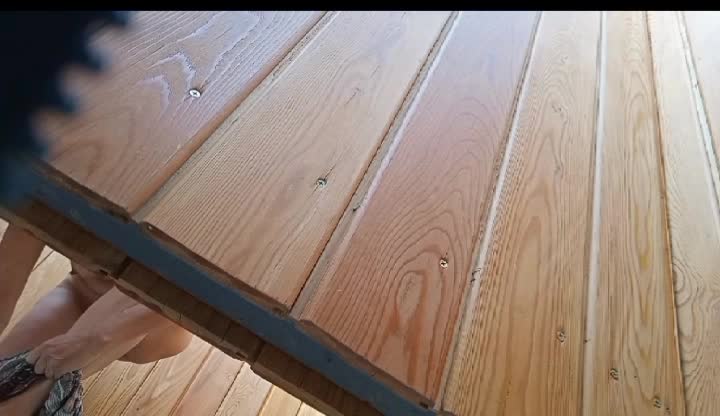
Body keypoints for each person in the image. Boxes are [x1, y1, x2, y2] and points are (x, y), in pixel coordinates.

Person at [0, 224, 192, 415]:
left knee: (23, 397)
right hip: (82, 293)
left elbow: (191, 285)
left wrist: (93, 338)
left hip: (154, 323)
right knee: (11, 386)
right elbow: (11, 266)